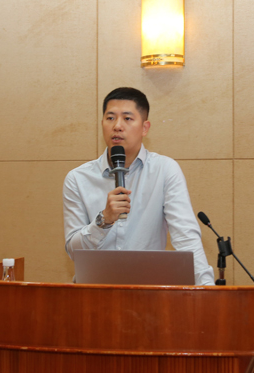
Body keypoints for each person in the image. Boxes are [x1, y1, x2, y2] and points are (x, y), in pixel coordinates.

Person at [63, 87, 215, 285]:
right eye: (110, 118)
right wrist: (104, 220)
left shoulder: (164, 170)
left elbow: (186, 236)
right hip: (93, 292)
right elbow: (73, 251)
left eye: (127, 118)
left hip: (148, 292)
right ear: (102, 124)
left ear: (145, 128)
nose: (117, 126)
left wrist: (207, 289)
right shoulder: (78, 178)